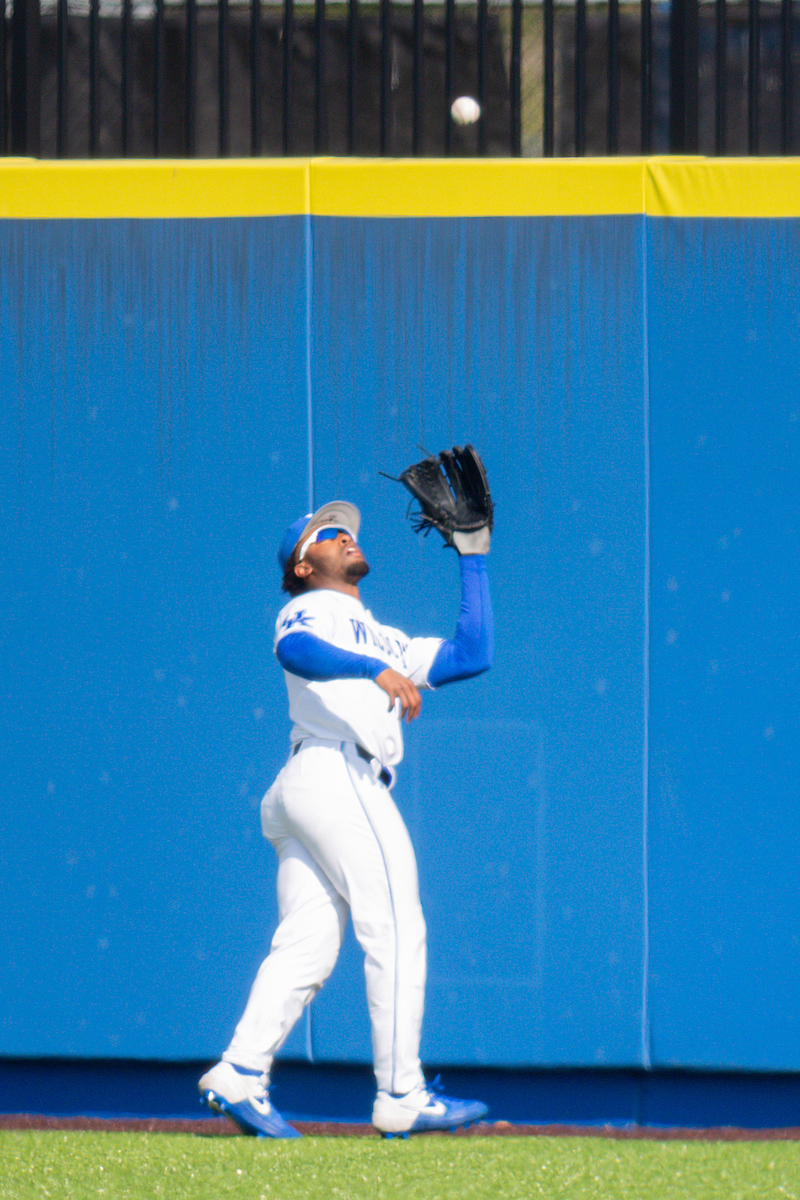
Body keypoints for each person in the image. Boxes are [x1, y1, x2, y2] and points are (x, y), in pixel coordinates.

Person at [199, 499, 493, 1137]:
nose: (345, 537)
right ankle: (402, 1091)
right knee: (396, 925)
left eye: (348, 532)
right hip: (336, 772)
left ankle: (240, 1070)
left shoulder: (386, 636)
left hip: (314, 787)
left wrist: (473, 558)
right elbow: (296, 650)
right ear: (304, 565)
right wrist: (372, 668)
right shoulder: (313, 607)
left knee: (307, 944)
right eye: (330, 534)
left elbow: (473, 654)